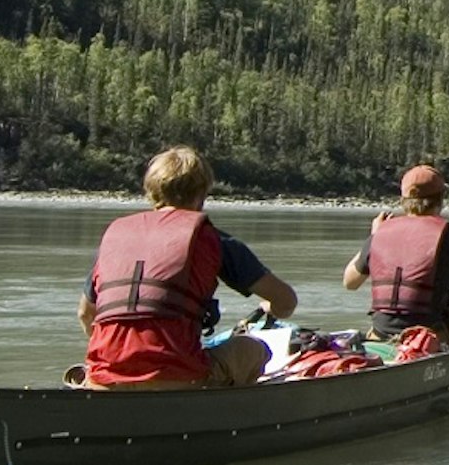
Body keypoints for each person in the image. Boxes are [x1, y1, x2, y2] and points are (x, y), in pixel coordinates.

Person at [79, 146, 297, 389]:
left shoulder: (118, 239)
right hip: (179, 378)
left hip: (102, 380)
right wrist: (271, 307)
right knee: (256, 350)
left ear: (151, 192)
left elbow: (86, 315)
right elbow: (287, 301)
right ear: (202, 194)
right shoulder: (214, 239)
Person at [342, 162, 449, 346]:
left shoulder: (379, 235)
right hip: (429, 338)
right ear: (440, 200)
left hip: (381, 334)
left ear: (403, 200)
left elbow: (350, 282)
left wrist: (374, 236)